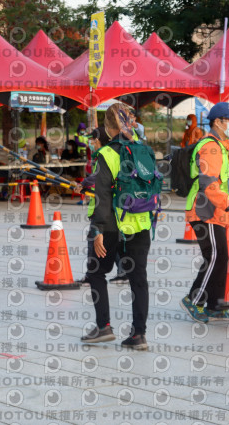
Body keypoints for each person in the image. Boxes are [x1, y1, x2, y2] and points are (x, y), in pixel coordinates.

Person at [80, 104, 153, 350]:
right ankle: (139, 335)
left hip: (112, 225)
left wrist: (97, 230)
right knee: (138, 279)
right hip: (141, 223)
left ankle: (104, 327)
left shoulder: (107, 154)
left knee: (96, 272)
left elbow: (101, 195)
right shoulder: (143, 149)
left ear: (109, 127)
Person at [180, 102, 229, 323]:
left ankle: (215, 305)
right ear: (218, 122)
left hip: (214, 211)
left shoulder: (220, 146)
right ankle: (193, 299)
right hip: (204, 210)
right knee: (214, 257)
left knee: (220, 257)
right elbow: (208, 183)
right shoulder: (211, 147)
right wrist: (228, 204)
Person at [73, 127, 127, 286]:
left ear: (98, 141)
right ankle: (123, 272)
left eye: (92, 140)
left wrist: (83, 184)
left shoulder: (104, 155)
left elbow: (97, 178)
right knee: (114, 243)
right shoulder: (117, 153)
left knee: (93, 241)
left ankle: (91, 275)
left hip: (102, 208)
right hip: (115, 207)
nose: (90, 143)